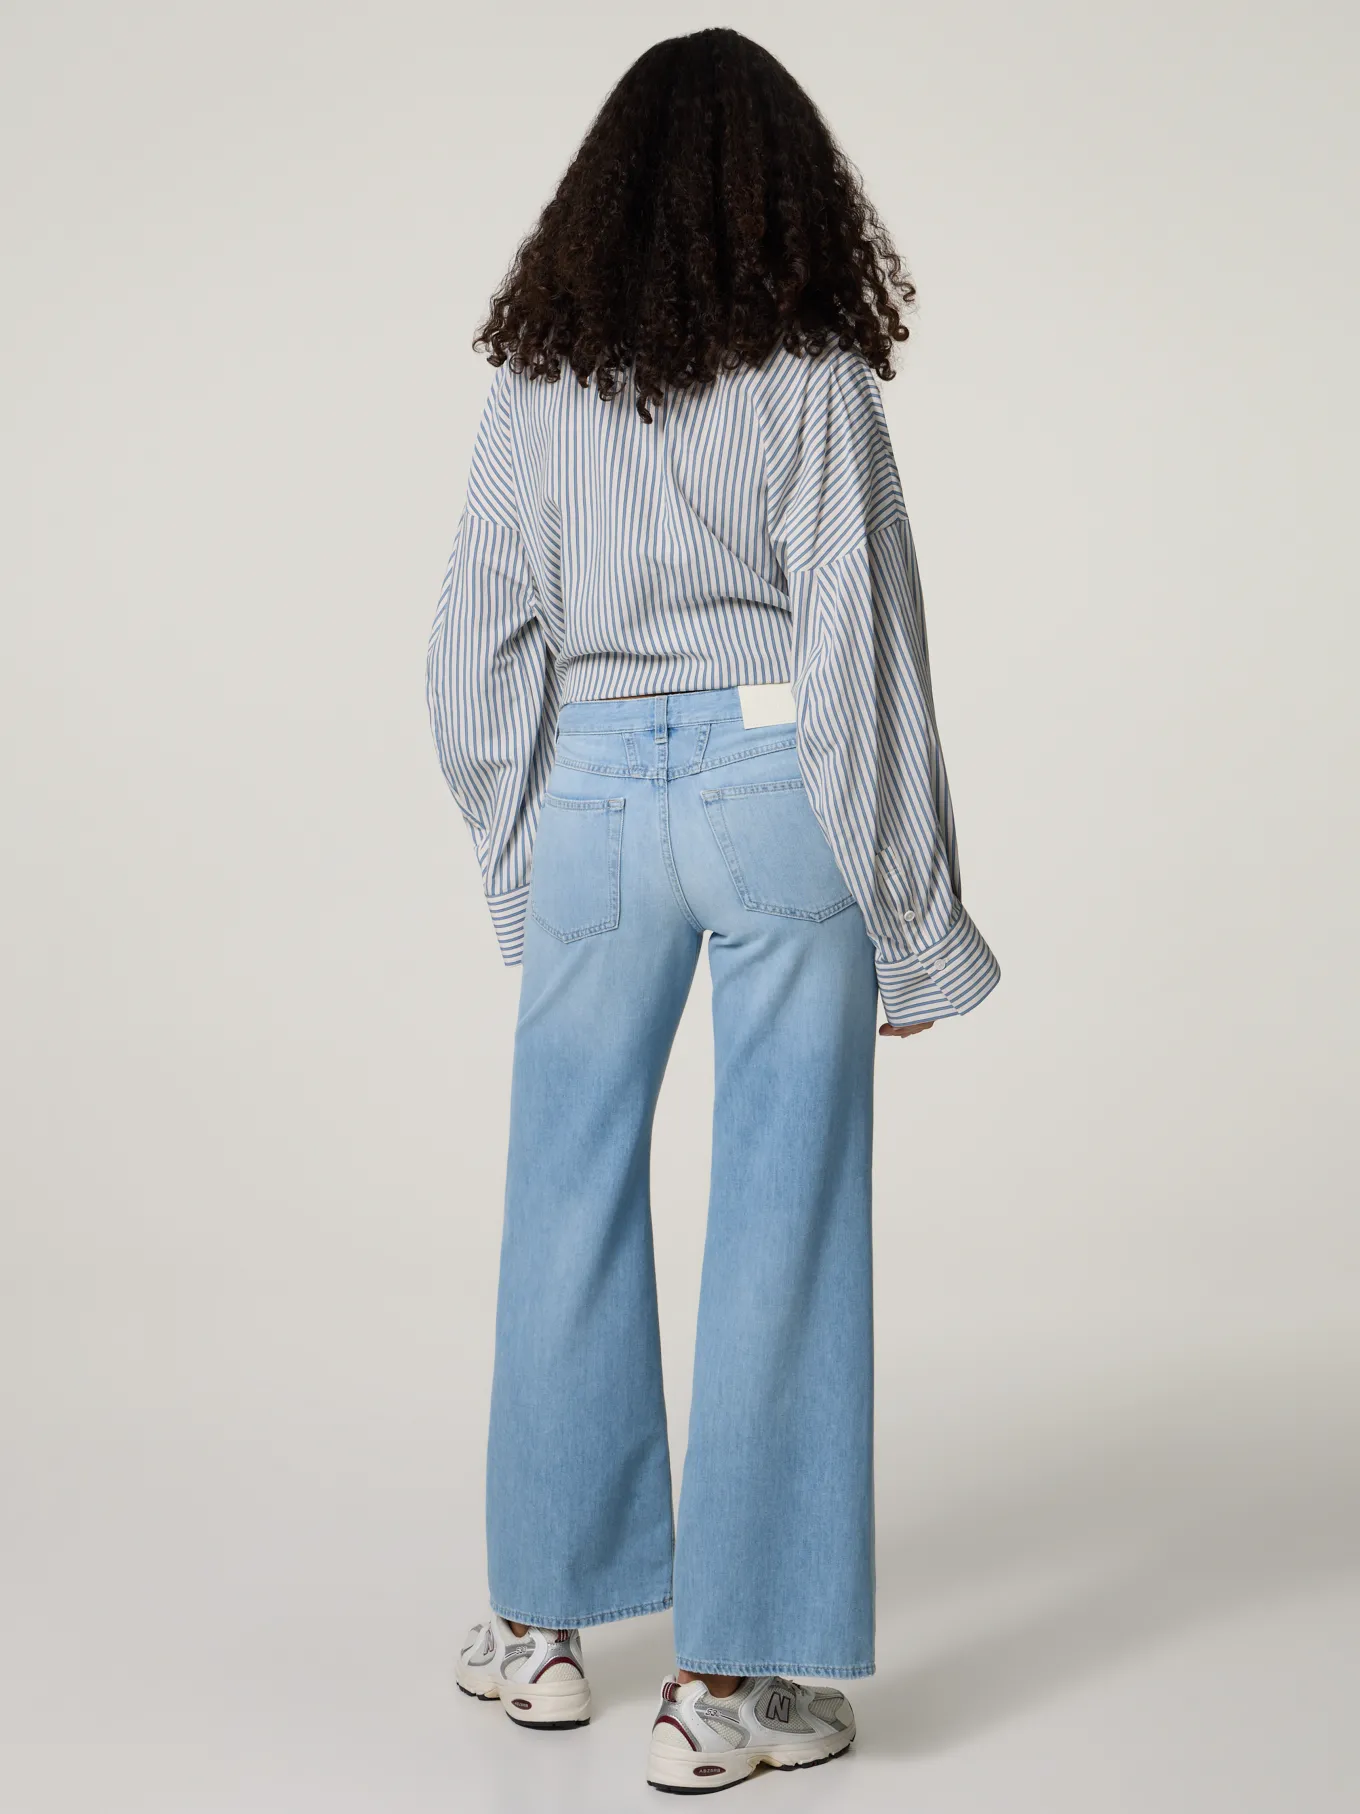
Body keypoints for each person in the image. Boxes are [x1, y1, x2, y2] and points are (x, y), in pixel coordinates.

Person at [426, 26, 999, 1795]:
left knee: (563, 1191)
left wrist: (527, 862)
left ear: (595, 201)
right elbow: (860, 662)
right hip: (775, 787)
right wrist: (914, 915)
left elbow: (469, 652)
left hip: (593, 789)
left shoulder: (538, 390)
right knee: (782, 1213)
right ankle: (723, 1687)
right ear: (789, 194)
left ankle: (540, 1633)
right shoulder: (816, 380)